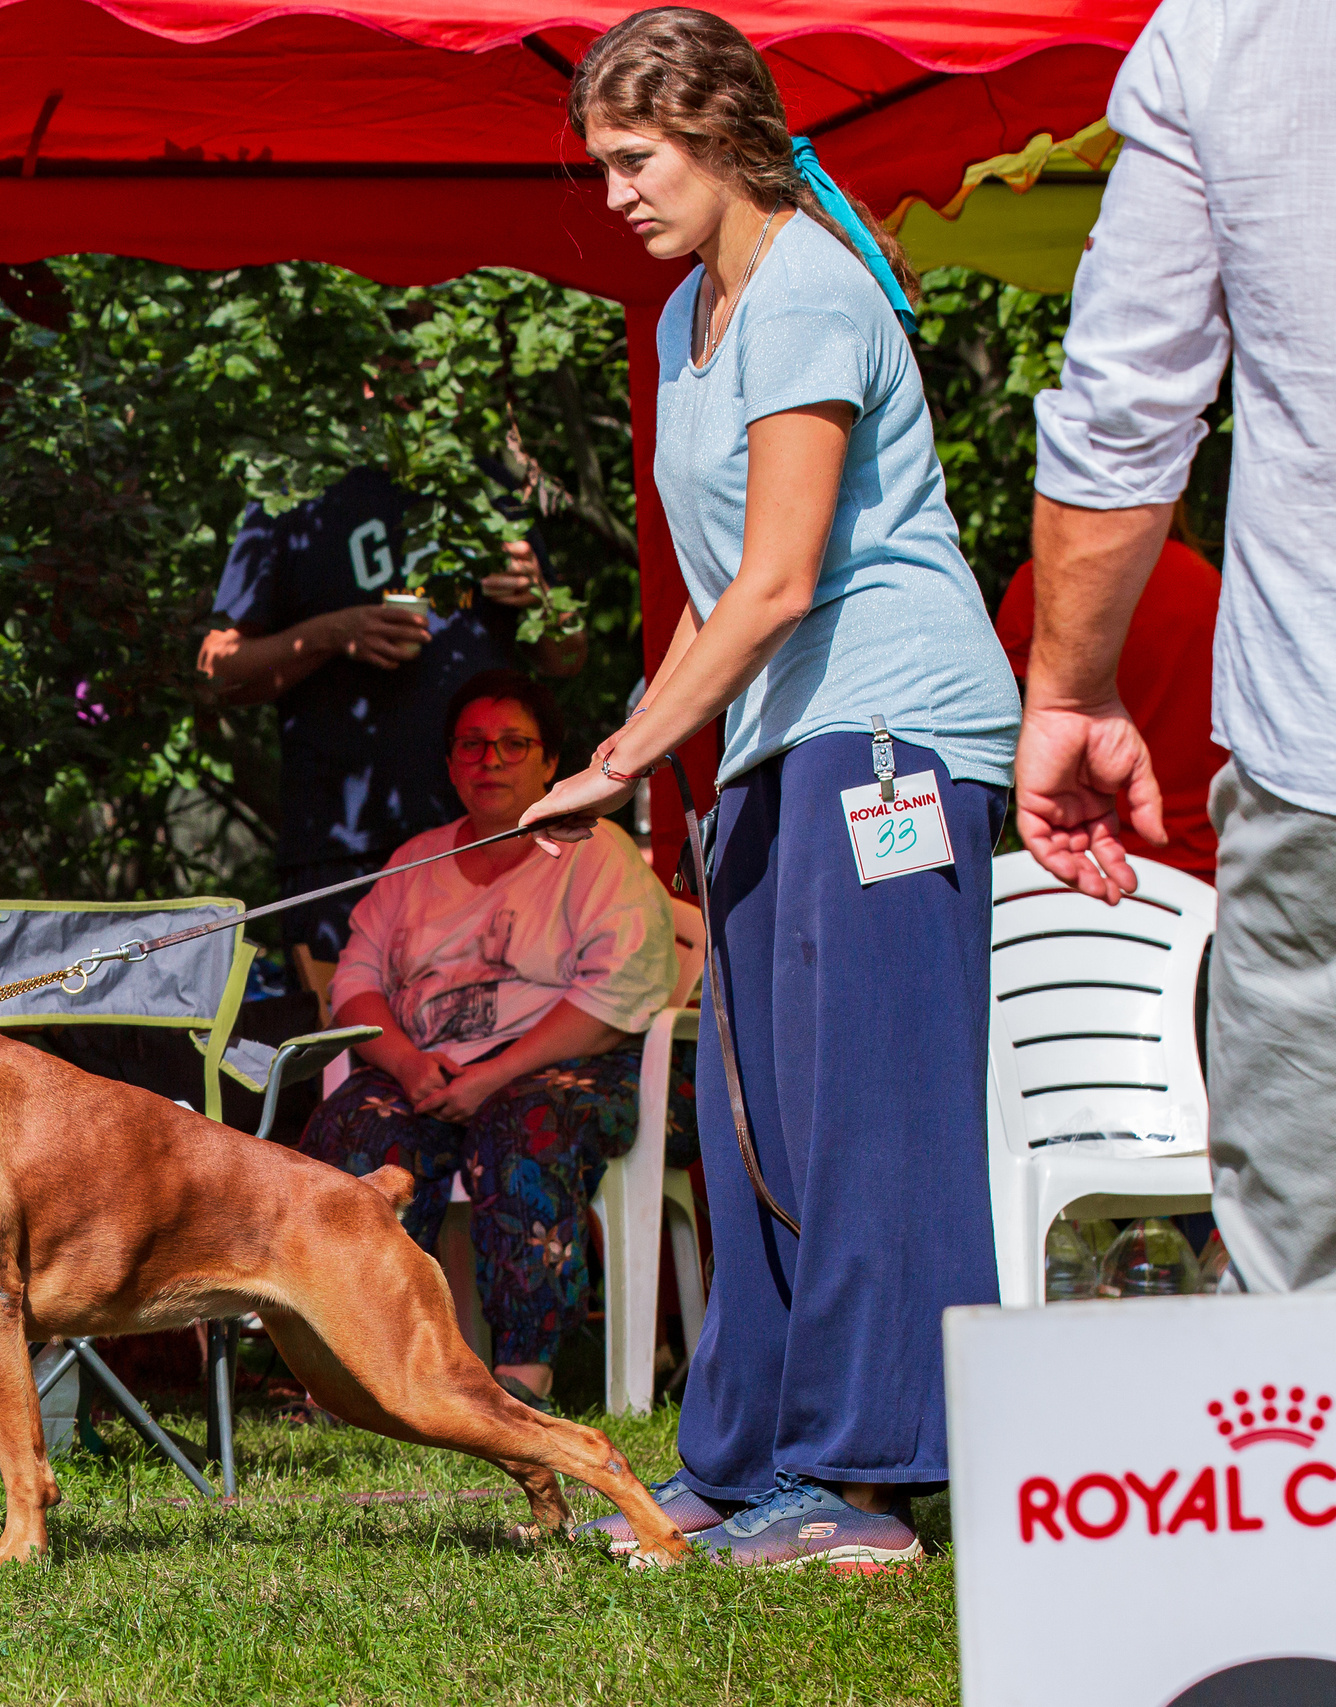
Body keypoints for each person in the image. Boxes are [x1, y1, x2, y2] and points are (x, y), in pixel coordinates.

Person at [530, 9, 1019, 1568]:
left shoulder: (807, 284)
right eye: (602, 164)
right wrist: (633, 747)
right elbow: (713, 591)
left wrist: (619, 760)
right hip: (775, 740)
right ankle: (745, 1456)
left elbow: (785, 579)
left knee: (866, 1108)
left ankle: (864, 1480)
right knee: (751, 1123)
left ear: (720, 132)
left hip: (887, 730)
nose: (614, 193)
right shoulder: (690, 310)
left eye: (635, 159)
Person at [1019, 0, 1336, 1295]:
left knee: (1302, 1276)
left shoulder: (1228, 31)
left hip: (1316, 743)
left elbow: (1125, 412)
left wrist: (1066, 690)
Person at [300, 670, 677, 1405]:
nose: (491, 760)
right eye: (472, 745)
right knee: (353, 1124)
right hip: (428, 1072)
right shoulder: (414, 863)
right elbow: (354, 983)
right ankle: (356, 1373)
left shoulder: (595, 853)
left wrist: (493, 1075)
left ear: (550, 761)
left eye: (513, 744)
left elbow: (616, 994)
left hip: (565, 1067)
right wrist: (409, 1066)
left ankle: (521, 1380)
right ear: (450, 764)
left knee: (522, 1123)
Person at [195, 467, 584, 973]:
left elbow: (567, 658)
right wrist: (333, 634)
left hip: (486, 835)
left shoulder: (479, 479)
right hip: (346, 844)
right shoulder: (295, 488)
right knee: (343, 1016)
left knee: (489, 1012)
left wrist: (542, 599)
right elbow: (216, 671)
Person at [994, 505, 1226, 880]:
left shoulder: (1042, 585)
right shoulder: (1210, 584)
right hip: (1202, 874)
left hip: (1073, 866)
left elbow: (1003, 735)